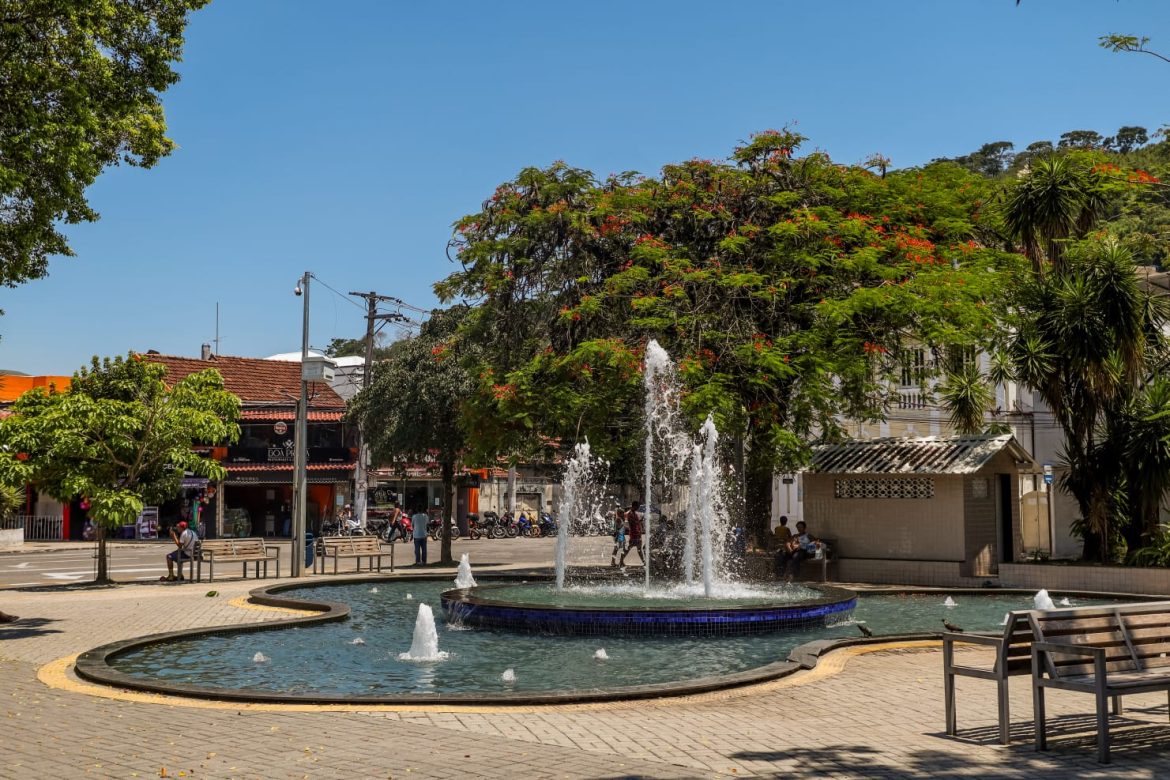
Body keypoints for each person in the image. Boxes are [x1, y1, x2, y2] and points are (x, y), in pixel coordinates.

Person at [619, 501, 644, 568]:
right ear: (634, 506)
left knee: (638, 549)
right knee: (628, 549)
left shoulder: (634, 513)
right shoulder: (630, 514)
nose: (638, 508)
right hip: (633, 534)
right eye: (637, 506)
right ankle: (621, 561)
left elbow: (636, 523)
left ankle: (644, 561)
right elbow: (632, 522)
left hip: (637, 533)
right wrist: (639, 521)